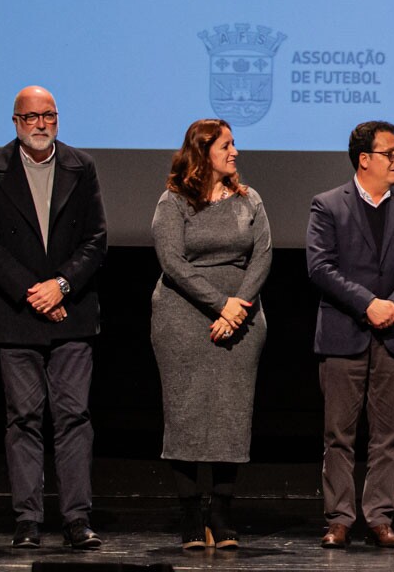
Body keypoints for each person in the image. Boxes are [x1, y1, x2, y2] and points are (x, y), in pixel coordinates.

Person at [0, 85, 108, 550]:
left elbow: (96, 239)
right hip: (17, 314)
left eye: (48, 115)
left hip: (72, 312)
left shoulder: (80, 167)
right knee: (24, 418)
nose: (41, 124)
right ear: (15, 123)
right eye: (30, 118)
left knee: (74, 416)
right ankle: (27, 519)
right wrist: (34, 293)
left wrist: (61, 286)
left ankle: (77, 520)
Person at [306, 120, 394, 548]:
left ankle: (379, 517)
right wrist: (367, 303)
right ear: (364, 159)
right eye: (390, 153)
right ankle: (339, 518)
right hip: (345, 333)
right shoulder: (327, 205)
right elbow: (320, 267)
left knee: (388, 436)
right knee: (339, 435)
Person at [150, 118, 272, 550]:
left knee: (230, 415)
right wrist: (220, 305)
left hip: (241, 317)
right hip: (183, 318)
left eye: (234, 144)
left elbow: (262, 256)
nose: (235, 152)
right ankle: (189, 515)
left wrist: (237, 306)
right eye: (226, 145)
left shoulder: (248, 199)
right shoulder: (175, 200)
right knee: (185, 413)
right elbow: (172, 261)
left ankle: (220, 512)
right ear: (203, 151)